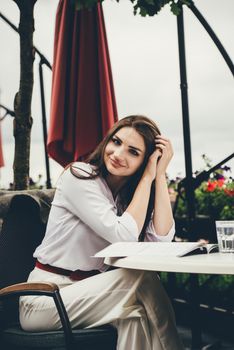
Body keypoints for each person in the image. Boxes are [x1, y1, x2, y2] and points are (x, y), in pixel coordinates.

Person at [19, 115, 184, 350]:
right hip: (44, 299)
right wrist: (147, 177)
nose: (118, 154)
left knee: (134, 316)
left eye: (133, 152)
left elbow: (160, 241)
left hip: (92, 295)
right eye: (116, 142)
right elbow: (123, 236)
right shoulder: (79, 176)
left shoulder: (128, 199)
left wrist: (159, 175)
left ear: (145, 161)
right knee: (142, 278)